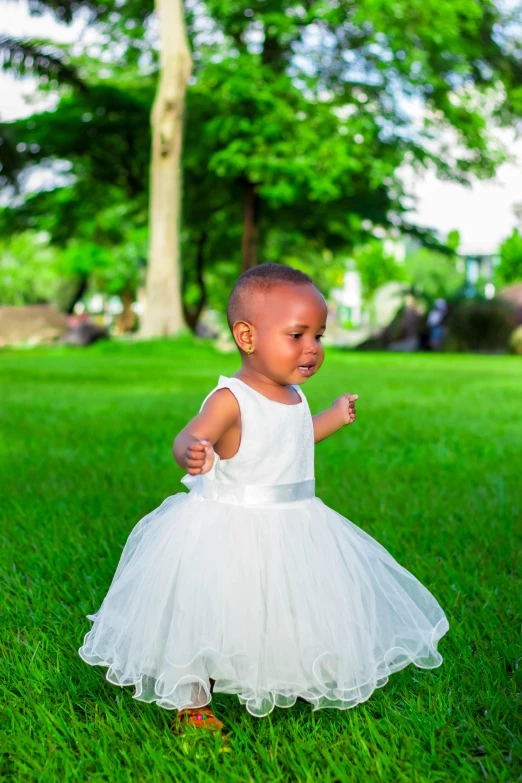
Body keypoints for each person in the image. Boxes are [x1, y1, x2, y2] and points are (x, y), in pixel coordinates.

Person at [78, 263, 449, 734]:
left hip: (295, 522)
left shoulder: (292, 395)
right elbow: (190, 434)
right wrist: (192, 450)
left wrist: (333, 416)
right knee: (211, 610)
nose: (312, 349)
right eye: (297, 335)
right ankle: (192, 699)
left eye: (319, 335)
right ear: (247, 336)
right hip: (233, 526)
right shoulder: (230, 398)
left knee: (283, 606)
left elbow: (293, 439)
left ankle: (278, 672)